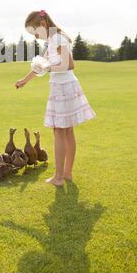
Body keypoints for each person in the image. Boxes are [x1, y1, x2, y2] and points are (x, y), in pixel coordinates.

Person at [15, 10, 96, 186]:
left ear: (43, 26)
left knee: (60, 131)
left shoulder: (58, 38)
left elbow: (69, 64)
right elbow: (40, 66)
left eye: (36, 33)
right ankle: (66, 174)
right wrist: (25, 80)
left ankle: (59, 177)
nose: (36, 37)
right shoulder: (52, 40)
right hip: (62, 87)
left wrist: (49, 68)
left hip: (64, 88)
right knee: (65, 131)